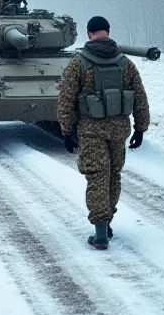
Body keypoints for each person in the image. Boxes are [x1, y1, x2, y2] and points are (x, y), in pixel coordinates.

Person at [56, 16, 150, 250]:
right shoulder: (125, 63)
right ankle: (107, 222)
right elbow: (140, 97)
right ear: (108, 32)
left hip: (91, 130)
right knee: (113, 175)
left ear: (89, 34)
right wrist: (141, 128)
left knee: (98, 176)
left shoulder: (78, 63)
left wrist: (66, 131)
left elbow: (66, 99)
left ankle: (100, 231)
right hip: (119, 130)